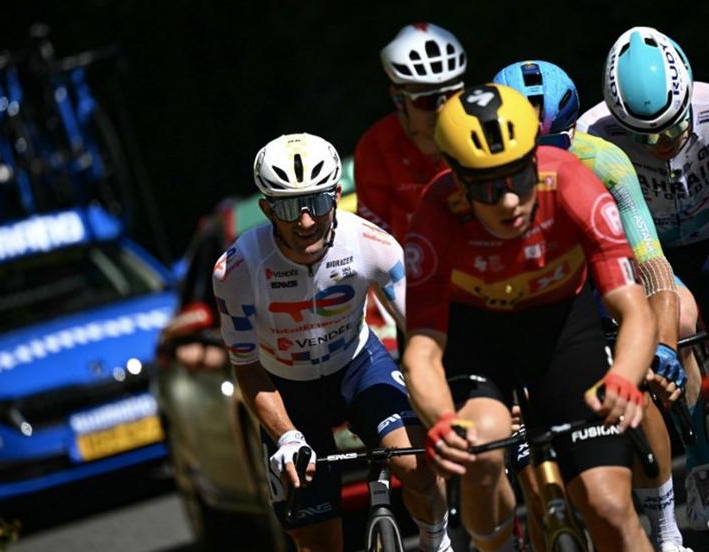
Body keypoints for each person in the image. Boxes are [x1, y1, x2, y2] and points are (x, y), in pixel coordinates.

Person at [402, 83, 656, 552]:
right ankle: (496, 546)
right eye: (487, 186)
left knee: (610, 510)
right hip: (477, 337)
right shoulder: (434, 219)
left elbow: (633, 306)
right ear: (458, 180)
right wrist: (440, 419)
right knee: (482, 442)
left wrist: (624, 376)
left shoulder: (575, 184)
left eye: (519, 177)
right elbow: (421, 349)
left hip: (561, 328)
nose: (509, 201)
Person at [212, 133, 451, 551]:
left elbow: (423, 333)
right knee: (318, 543)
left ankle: (439, 542)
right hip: (286, 389)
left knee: (418, 467)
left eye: (318, 202)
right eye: (288, 207)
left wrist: (455, 397)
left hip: (360, 367)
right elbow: (246, 367)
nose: (306, 221)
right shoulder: (237, 269)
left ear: (337, 195)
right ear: (267, 209)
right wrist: (286, 436)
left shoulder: (371, 245)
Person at [494, 59, 695, 552]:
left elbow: (651, 266)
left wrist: (663, 348)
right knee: (522, 464)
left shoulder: (601, 161)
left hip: (593, 292)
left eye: (555, 147)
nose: (544, 165)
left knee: (639, 387)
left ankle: (667, 532)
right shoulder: (481, 191)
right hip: (514, 308)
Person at [576, 25, 709, 531]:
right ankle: (699, 464)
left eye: (671, 130)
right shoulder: (592, 134)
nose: (659, 145)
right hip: (649, 251)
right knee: (684, 323)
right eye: (643, 135)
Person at [355, 22, 466, 244]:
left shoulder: (480, 130)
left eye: (453, 93)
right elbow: (375, 244)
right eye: (427, 100)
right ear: (399, 98)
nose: (442, 108)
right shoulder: (375, 148)